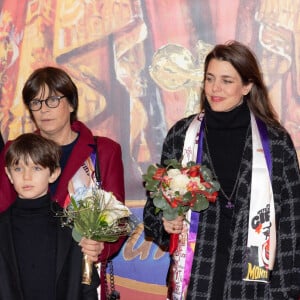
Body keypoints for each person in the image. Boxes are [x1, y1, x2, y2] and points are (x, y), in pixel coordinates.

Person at [143, 40, 300, 299]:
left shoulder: (275, 141)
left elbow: (292, 223)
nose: (215, 88)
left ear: (247, 86)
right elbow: (154, 208)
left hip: (257, 281)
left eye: (227, 81)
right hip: (198, 276)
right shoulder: (182, 135)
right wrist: (165, 220)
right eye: (210, 78)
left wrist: (286, 290)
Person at [0, 66, 126, 299]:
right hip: (23, 271)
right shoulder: (14, 152)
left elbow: (118, 220)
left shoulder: (104, 151)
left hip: (78, 275)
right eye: (36, 102)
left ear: (71, 103)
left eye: (52, 100)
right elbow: (4, 209)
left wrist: (101, 246)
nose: (43, 109)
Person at [0, 133, 100, 300]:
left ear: (53, 173)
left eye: (36, 168)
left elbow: (88, 286)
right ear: (9, 174)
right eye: (18, 168)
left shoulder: (75, 226)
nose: (27, 176)